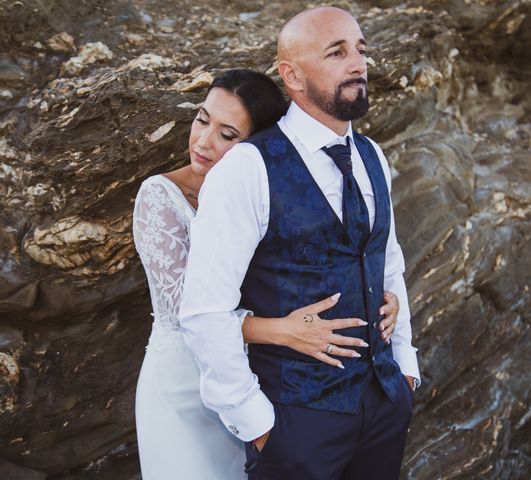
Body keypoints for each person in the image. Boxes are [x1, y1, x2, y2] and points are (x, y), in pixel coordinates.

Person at [179, 7, 420, 480]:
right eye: (337, 52)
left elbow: (388, 263)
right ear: (292, 74)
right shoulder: (248, 168)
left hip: (385, 403)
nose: (358, 64)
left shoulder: (373, 155)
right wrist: (259, 426)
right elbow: (203, 311)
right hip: (295, 424)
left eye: (361, 50)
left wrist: (406, 368)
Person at [132, 69, 401, 479]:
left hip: (260, 382)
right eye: (202, 120)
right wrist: (282, 331)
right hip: (183, 390)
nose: (203, 142)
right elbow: (188, 314)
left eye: (228, 134)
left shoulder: (264, 188)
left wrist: (378, 299)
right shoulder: (161, 197)